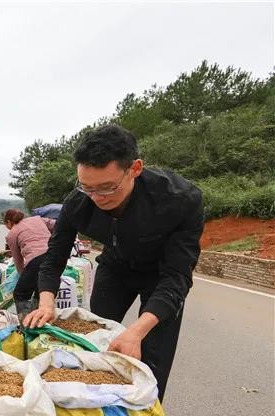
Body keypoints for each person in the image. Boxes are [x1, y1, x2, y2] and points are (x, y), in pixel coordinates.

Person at [23, 124, 204, 401]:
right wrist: (47, 302)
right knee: (97, 340)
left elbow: (177, 276)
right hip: (116, 269)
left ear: (135, 169)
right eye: (88, 188)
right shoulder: (78, 203)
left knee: (151, 354)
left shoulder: (179, 200)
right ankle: (95, 408)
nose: (97, 198)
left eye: (107, 188)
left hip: (160, 275)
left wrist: (138, 330)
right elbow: (55, 257)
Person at [1, 209, 56, 314]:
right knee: (41, 289)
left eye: (6, 225)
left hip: (36, 259)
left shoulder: (12, 234)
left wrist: (23, 275)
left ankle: (26, 324)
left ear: (8, 222)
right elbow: (57, 224)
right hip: (54, 256)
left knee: (20, 294)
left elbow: (18, 259)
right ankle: (40, 320)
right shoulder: (37, 219)